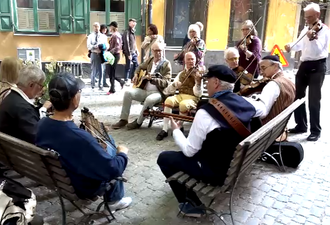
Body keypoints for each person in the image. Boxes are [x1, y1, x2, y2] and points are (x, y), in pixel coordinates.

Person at [157, 65, 256, 217]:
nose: (206, 84)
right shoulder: (244, 102)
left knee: (164, 158)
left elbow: (190, 151)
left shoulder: (205, 112)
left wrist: (176, 131)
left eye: (207, 80)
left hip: (216, 172)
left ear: (216, 82)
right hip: (235, 164)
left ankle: (191, 205)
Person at [36, 72, 132, 213]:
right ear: (74, 99)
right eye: (79, 91)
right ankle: (114, 200)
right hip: (83, 186)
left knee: (107, 142)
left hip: (60, 180)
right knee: (112, 148)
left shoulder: (42, 123)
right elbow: (113, 169)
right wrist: (123, 153)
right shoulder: (79, 138)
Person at [284, 3, 330, 141]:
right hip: (305, 64)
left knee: (314, 100)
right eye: (306, 17)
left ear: (317, 15)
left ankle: (315, 130)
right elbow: (300, 45)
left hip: (318, 65)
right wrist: (290, 46)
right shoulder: (306, 28)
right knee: (298, 96)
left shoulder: (324, 30)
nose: (308, 20)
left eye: (310, 17)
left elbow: (319, 50)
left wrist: (313, 38)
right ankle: (301, 125)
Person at [112, 42, 172, 130]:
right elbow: (140, 67)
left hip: (158, 93)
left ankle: (138, 122)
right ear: (152, 51)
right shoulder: (150, 60)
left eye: (160, 50)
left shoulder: (166, 64)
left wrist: (153, 79)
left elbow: (166, 82)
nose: (158, 53)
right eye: (156, 51)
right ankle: (123, 119)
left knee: (149, 100)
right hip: (144, 90)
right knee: (128, 93)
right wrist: (136, 74)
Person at [156, 52, 203, 141]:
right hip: (180, 95)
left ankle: (179, 126)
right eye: (188, 59)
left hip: (192, 97)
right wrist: (174, 85)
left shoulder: (198, 74)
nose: (190, 61)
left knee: (183, 104)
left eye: (192, 59)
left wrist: (198, 83)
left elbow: (198, 94)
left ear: (196, 60)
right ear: (184, 61)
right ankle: (164, 129)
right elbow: (168, 91)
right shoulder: (181, 74)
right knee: (169, 100)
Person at [0, 65, 52, 144]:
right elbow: (39, 138)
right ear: (31, 85)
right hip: (22, 154)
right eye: (41, 86)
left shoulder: (11, 97)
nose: (41, 90)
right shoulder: (22, 108)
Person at [243, 55, 296, 125]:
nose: (261, 73)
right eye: (260, 69)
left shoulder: (273, 85)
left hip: (268, 127)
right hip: (279, 128)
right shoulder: (289, 81)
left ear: (275, 66)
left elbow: (263, 113)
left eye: (263, 68)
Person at [87, 22, 108, 90]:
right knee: (94, 69)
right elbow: (88, 46)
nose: (96, 28)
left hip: (101, 54)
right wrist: (95, 46)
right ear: (93, 27)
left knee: (101, 70)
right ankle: (92, 84)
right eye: (95, 26)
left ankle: (100, 85)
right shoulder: (90, 36)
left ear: (99, 27)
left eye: (97, 26)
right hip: (94, 53)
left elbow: (107, 45)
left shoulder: (103, 36)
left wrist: (103, 47)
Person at [106, 21, 125, 95]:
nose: (109, 28)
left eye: (110, 26)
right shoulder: (115, 35)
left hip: (114, 55)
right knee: (110, 72)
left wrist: (110, 52)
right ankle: (120, 82)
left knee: (111, 72)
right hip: (114, 55)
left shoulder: (116, 35)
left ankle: (112, 89)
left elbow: (117, 47)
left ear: (113, 27)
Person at [122, 18, 139, 86]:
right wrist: (129, 54)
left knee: (136, 64)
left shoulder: (133, 31)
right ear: (129, 23)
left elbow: (134, 42)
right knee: (128, 65)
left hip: (133, 51)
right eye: (133, 22)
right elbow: (126, 43)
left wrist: (136, 49)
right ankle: (126, 79)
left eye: (135, 22)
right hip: (129, 52)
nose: (134, 24)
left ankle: (132, 78)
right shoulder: (127, 32)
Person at [100, 24, 110, 88]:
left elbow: (106, 44)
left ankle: (103, 82)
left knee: (103, 68)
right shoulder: (100, 36)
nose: (105, 30)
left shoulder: (104, 36)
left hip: (105, 53)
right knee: (101, 69)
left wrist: (107, 47)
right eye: (103, 29)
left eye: (106, 29)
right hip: (101, 53)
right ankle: (102, 83)